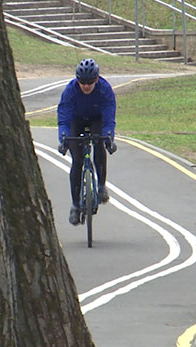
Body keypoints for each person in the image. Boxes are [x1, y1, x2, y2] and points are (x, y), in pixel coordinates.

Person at [57, 58, 117, 225]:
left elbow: (109, 117)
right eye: (82, 82)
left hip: (96, 120)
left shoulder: (105, 89)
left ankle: (101, 186)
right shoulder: (70, 90)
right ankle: (75, 205)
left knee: (99, 143)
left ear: (96, 79)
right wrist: (63, 138)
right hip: (76, 121)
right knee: (77, 161)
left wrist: (109, 137)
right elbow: (64, 117)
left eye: (90, 82)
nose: (86, 86)